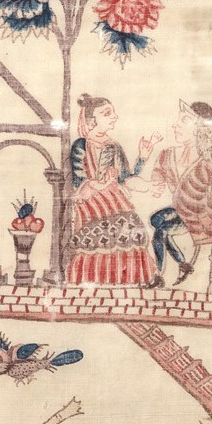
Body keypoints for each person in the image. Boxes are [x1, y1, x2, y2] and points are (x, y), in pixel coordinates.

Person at [60, 96, 155, 286]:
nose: (114, 117)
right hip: (91, 201)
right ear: (91, 120)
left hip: (115, 199)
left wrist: (142, 158)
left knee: (134, 230)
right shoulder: (81, 144)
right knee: (104, 234)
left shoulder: (114, 146)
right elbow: (80, 180)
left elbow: (125, 177)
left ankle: (128, 280)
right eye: (107, 113)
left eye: (113, 112)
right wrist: (102, 184)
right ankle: (93, 280)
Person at [148, 100, 212, 291]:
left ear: (199, 129)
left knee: (160, 231)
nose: (175, 125)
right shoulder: (168, 154)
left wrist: (202, 211)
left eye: (184, 121)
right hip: (180, 209)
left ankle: (158, 275)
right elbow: (157, 178)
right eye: (178, 120)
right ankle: (183, 264)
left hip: (201, 215)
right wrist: (155, 184)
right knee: (156, 220)